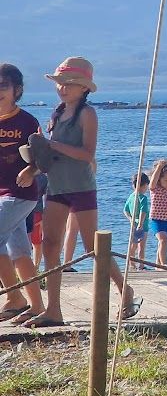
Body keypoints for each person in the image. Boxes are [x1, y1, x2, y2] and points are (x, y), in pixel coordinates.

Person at [18, 57, 137, 327]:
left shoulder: (87, 114)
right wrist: (32, 170)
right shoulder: (57, 114)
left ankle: (125, 290)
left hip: (82, 188)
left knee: (94, 248)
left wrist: (54, 145)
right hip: (57, 187)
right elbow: (50, 156)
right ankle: (54, 309)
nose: (63, 88)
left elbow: (87, 154)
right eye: (60, 83)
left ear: (84, 88)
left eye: (69, 84)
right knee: (49, 245)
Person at [0, 64, 44, 325]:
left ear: (17, 90)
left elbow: (44, 159)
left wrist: (30, 170)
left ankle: (14, 298)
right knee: (19, 251)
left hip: (21, 193)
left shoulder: (27, 121)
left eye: (3, 86)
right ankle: (36, 305)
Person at [123, 173, 149, 269]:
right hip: (142, 226)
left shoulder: (131, 196)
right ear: (143, 185)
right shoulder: (143, 198)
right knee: (141, 247)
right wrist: (141, 224)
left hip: (133, 224)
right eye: (146, 186)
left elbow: (125, 210)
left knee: (133, 246)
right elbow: (144, 211)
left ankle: (131, 264)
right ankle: (141, 265)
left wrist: (131, 219)